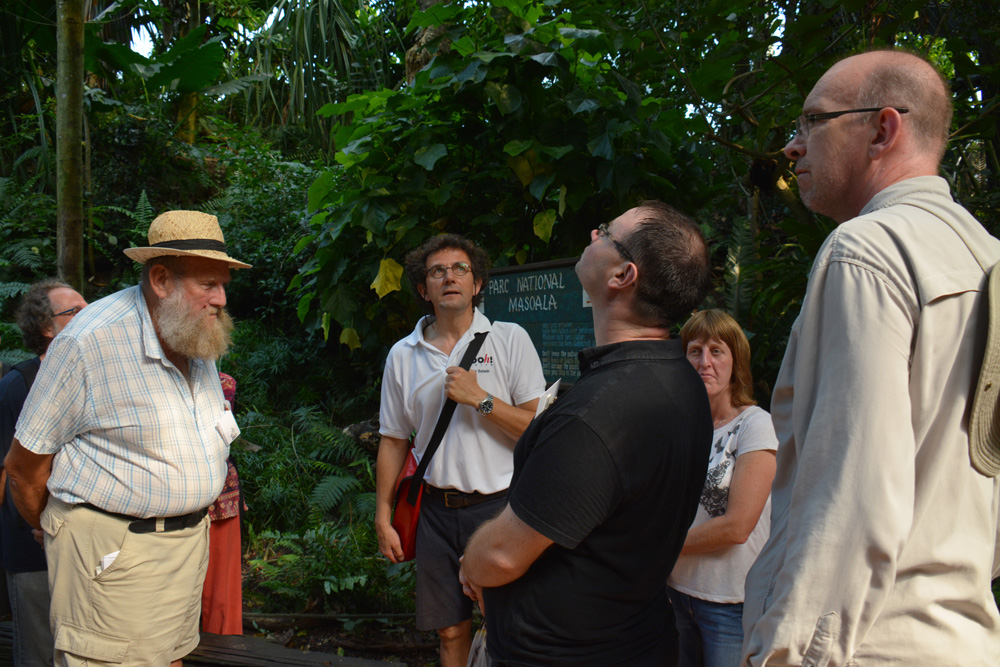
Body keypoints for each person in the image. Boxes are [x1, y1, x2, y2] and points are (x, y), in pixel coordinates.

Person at [742, 49, 1000, 666]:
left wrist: (793, 657)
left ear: (883, 130)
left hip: (868, 645)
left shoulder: (867, 250)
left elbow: (852, 495)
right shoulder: (986, 255)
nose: (792, 147)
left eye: (812, 122)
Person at [460, 200, 714, 666]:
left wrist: (472, 561)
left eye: (605, 232)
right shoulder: (681, 380)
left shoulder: (597, 414)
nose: (593, 236)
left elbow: (499, 557)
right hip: (639, 638)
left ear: (623, 275)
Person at [4, 210, 250, 667]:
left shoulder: (192, 331)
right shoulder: (88, 342)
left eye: (223, 285)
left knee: (172, 658)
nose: (220, 299)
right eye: (208, 285)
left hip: (186, 547)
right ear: (161, 279)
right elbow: (23, 468)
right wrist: (59, 530)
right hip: (112, 557)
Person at [375, 233, 546, 667]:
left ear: (477, 283)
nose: (449, 277)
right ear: (423, 289)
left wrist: (480, 399)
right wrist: (382, 515)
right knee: (450, 631)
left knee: (509, 624)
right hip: (434, 512)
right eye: (437, 271)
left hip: (501, 509)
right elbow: (394, 439)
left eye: (460, 269)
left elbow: (537, 430)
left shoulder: (509, 339)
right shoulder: (403, 355)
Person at [666, 309, 777, 667]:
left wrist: (657, 546)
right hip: (674, 594)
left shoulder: (756, 425)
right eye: (695, 351)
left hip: (730, 604)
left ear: (736, 361)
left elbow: (737, 527)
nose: (705, 362)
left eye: (717, 351)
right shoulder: (677, 426)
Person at [0, 279, 87, 667]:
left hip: (86, 548)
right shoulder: (18, 386)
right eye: (74, 311)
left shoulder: (94, 377)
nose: (87, 316)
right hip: (32, 551)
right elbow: (8, 471)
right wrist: (41, 524)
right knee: (38, 654)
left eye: (89, 308)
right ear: (45, 327)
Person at [200, 372, 246, 635]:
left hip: (219, 495)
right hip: (170, 497)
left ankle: (223, 647)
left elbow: (227, 437)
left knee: (221, 587)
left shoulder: (223, 383)